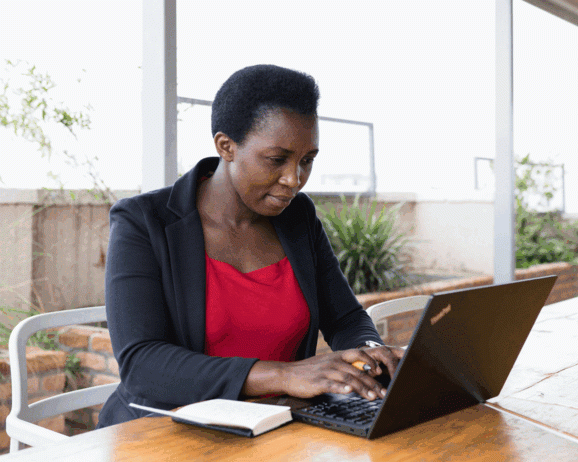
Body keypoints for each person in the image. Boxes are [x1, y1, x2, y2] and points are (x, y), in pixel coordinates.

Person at [98, 65, 403, 427]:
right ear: (226, 146)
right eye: (277, 160)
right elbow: (142, 365)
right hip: (165, 431)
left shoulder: (297, 218)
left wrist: (371, 355)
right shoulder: (145, 222)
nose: (294, 180)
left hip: (274, 430)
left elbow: (345, 317)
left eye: (307, 161)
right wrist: (284, 375)